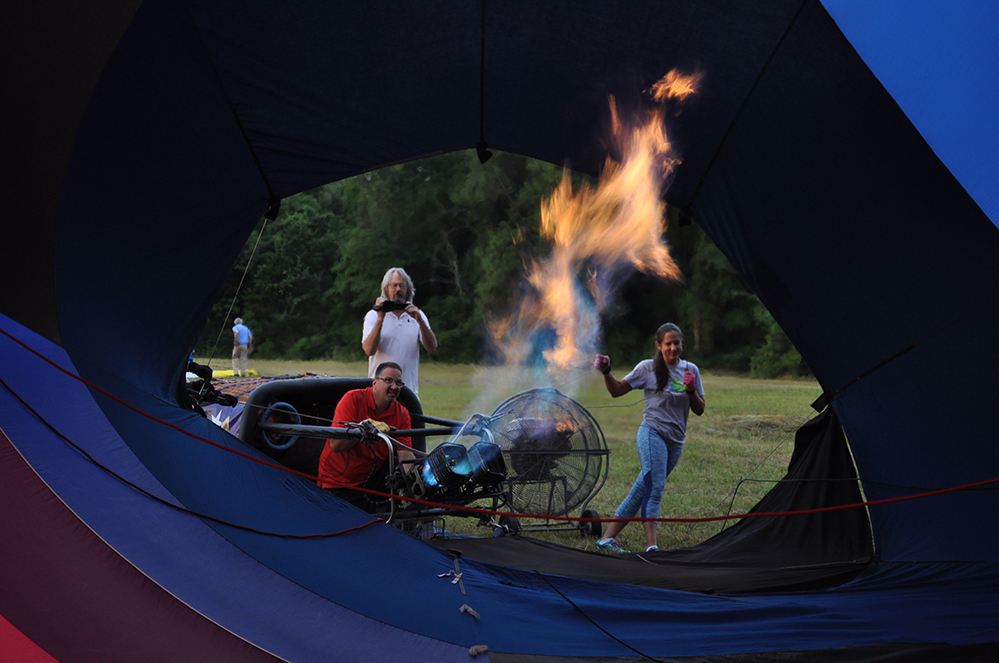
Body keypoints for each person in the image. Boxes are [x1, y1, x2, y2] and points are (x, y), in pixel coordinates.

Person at [593, 322, 706, 554]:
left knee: (641, 489)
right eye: (668, 344)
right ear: (658, 345)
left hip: (676, 442)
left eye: (677, 343)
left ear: (682, 344)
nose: (673, 348)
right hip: (652, 433)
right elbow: (616, 391)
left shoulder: (690, 370)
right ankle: (652, 546)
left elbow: (700, 409)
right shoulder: (647, 368)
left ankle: (606, 539)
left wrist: (692, 390)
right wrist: (606, 371)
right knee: (654, 488)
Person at [317, 362, 416, 512]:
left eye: (398, 383)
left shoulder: (402, 413)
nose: (394, 387)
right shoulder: (353, 399)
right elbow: (335, 445)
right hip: (337, 481)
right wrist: (364, 430)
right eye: (388, 380)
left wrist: (416, 485)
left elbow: (405, 455)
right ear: (375, 382)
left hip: (371, 480)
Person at [361, 267, 437, 396]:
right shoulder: (373, 316)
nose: (398, 290)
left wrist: (420, 321)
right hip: (380, 392)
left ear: (407, 289)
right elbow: (369, 350)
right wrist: (381, 318)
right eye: (394, 285)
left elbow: (432, 347)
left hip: (408, 391)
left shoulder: (417, 316)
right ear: (386, 288)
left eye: (402, 286)